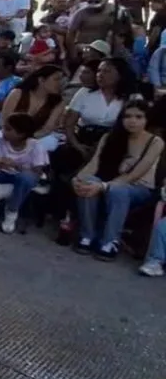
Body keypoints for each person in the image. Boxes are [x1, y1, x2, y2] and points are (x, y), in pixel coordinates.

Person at [73, 100, 163, 260]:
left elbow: (135, 174)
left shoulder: (155, 142)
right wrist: (78, 179)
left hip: (139, 189)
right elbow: (95, 163)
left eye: (138, 117)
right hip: (108, 182)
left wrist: (102, 186)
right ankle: (87, 235)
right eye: (127, 116)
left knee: (117, 190)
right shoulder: (110, 137)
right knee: (86, 181)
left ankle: (110, 241)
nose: (132, 121)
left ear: (146, 119)